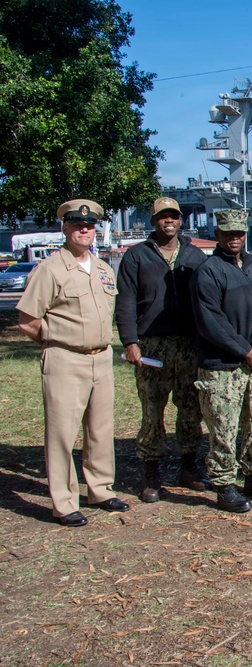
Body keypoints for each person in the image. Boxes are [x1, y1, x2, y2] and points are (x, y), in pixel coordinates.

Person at [17, 199, 129, 527]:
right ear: (64, 228)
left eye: (90, 225)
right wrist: (56, 342)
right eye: (77, 224)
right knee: (62, 433)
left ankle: (100, 488)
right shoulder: (50, 269)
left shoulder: (104, 269)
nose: (84, 230)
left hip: (101, 359)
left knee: (100, 428)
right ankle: (64, 502)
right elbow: (27, 320)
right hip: (65, 358)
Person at [116, 196, 209, 503]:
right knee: (152, 410)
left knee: (190, 408)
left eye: (174, 216)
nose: (169, 221)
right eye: (162, 217)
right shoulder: (136, 256)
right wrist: (130, 341)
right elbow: (126, 301)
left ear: (181, 220)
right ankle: (151, 474)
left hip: (187, 344)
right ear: (153, 221)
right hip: (151, 344)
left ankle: (188, 467)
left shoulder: (195, 255)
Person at [191, 209, 252, 513]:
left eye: (239, 234)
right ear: (218, 235)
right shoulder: (209, 271)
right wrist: (246, 350)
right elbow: (211, 321)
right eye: (228, 233)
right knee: (224, 428)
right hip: (224, 366)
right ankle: (224, 484)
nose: (234, 239)